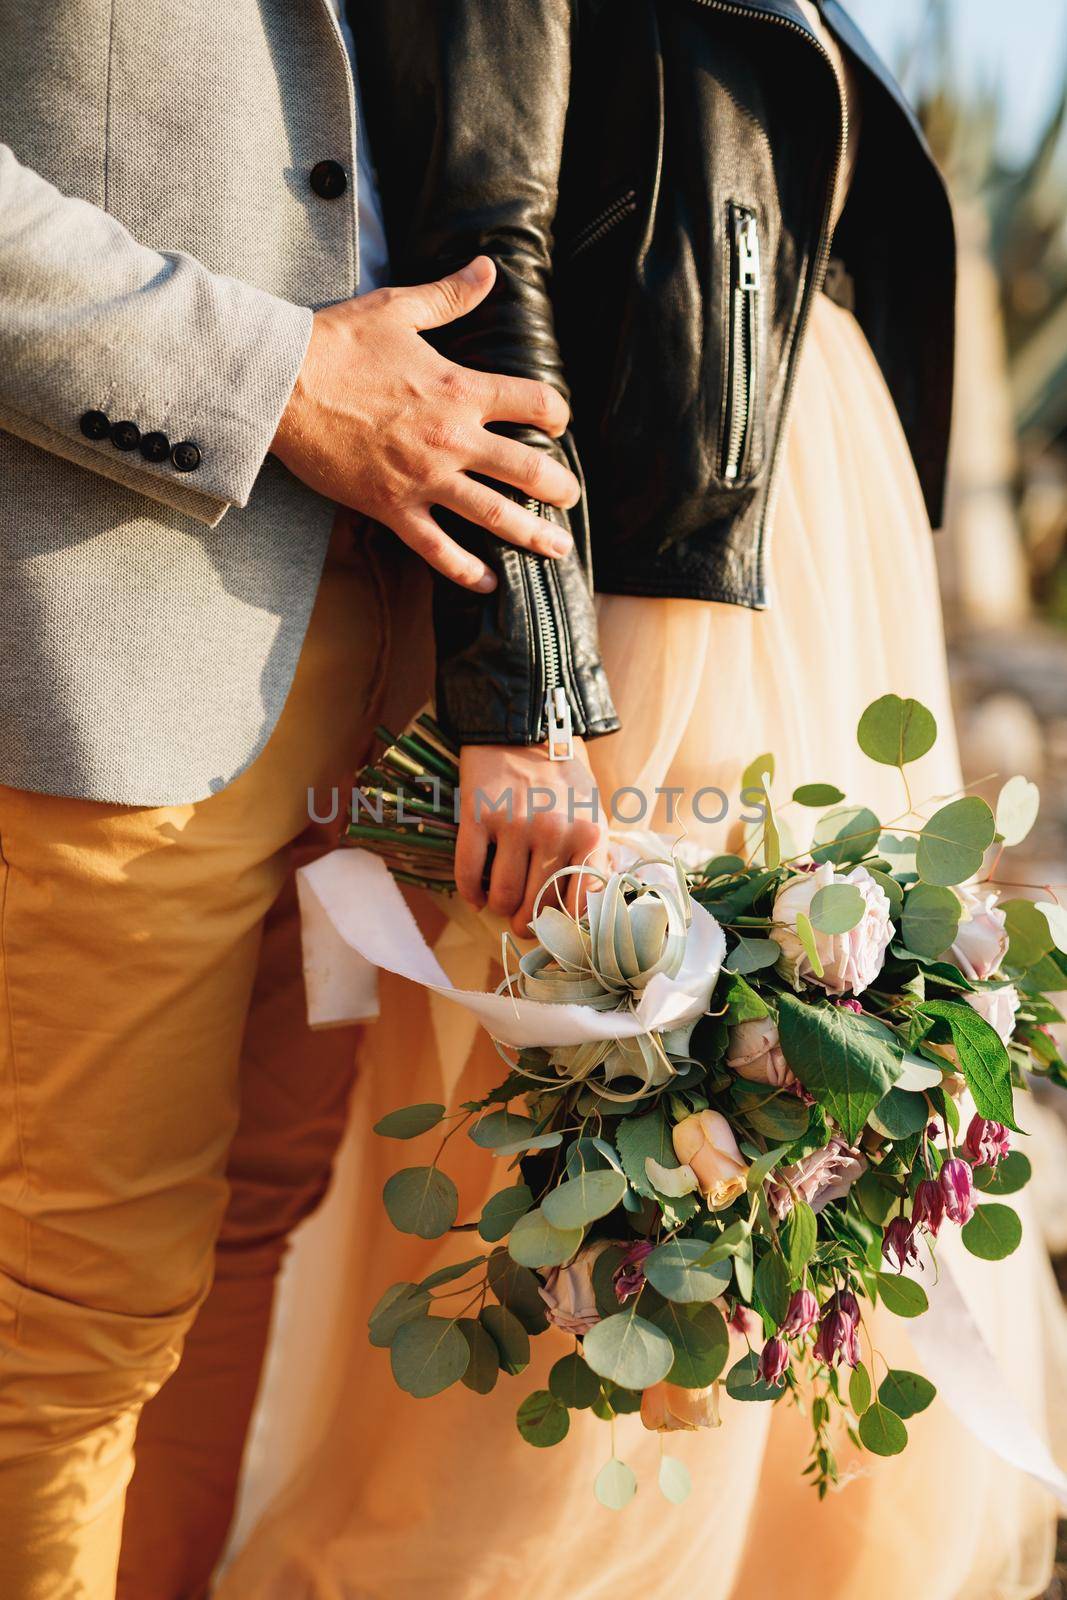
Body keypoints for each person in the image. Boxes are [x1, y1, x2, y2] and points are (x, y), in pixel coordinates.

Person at [201, 2, 1064, 1598]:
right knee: (626, 1148)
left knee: (797, 1141)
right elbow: (482, 244)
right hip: (644, 582)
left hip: (796, 541)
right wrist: (529, 689)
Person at [0, 2, 620, 1595]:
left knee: (242, 1241)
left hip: (395, 670)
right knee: (64, 1311)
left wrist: (513, 672)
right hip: (103, 628)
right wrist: (273, 381)